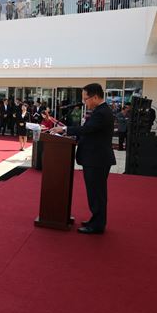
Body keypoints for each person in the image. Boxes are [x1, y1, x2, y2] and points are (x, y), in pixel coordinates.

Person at [51, 83, 116, 235]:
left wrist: (65, 129)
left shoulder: (102, 113)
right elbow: (91, 132)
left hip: (97, 159)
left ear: (95, 97)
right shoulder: (101, 111)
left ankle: (97, 225)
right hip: (95, 158)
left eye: (86, 99)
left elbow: (87, 129)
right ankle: (96, 220)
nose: (85, 102)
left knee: (97, 194)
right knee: (95, 192)